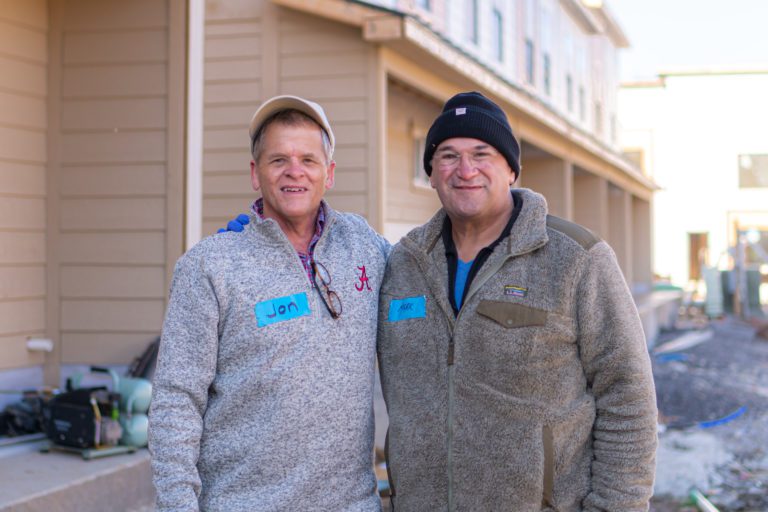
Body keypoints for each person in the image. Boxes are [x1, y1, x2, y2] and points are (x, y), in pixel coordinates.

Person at [376, 91, 658, 511]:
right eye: (448, 156)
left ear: (511, 168)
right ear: (431, 173)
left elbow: (628, 396)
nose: (465, 169)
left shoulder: (576, 259)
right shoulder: (402, 263)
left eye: (482, 153)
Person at [149, 95, 389, 511]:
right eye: (278, 160)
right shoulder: (210, 266)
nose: (294, 171)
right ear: (255, 174)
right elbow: (176, 400)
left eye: (308, 160)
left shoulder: (366, 247)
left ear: (329, 173)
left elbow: (430, 277)